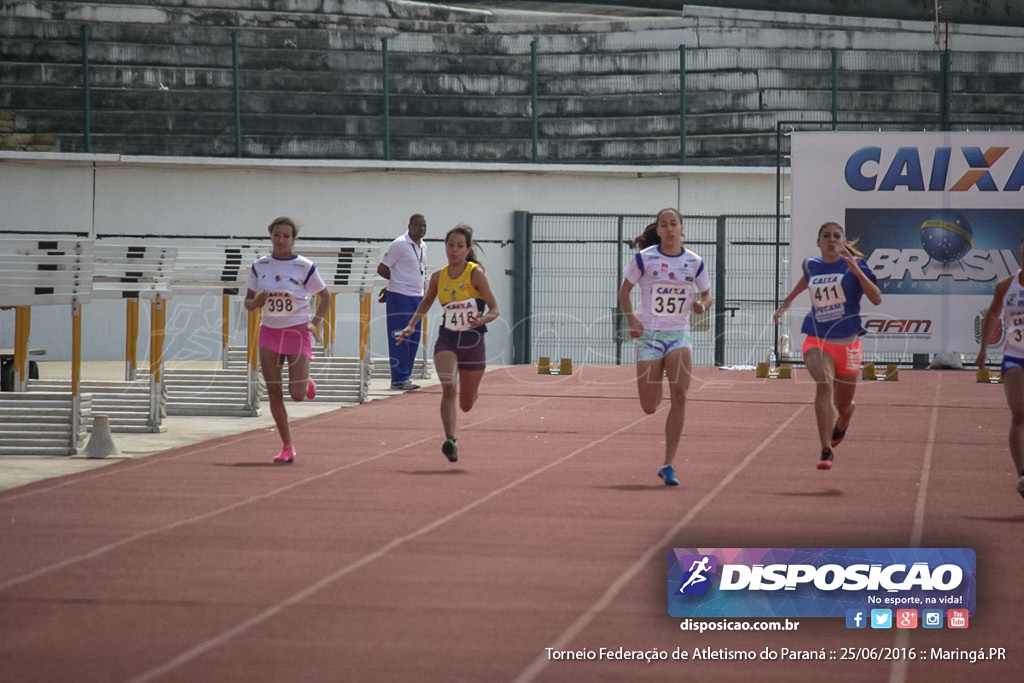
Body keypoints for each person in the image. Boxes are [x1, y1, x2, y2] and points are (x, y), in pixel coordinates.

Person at [773, 221, 882, 470]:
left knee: (843, 405)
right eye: (827, 236)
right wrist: (787, 302)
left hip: (849, 345)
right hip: (817, 339)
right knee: (823, 384)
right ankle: (826, 448)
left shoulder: (855, 266)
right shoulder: (811, 264)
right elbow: (807, 279)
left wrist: (858, 273)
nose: (832, 240)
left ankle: (844, 419)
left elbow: (876, 298)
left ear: (842, 242)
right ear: (819, 242)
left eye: (836, 236)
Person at [618, 208, 712, 487]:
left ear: (682, 228)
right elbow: (624, 291)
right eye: (664, 225)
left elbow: (708, 294)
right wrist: (632, 319)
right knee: (649, 407)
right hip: (649, 335)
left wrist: (702, 305)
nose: (669, 229)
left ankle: (668, 463)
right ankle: (656, 375)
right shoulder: (644, 259)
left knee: (680, 395)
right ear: (658, 230)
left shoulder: (694, 262)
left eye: (674, 224)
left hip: (678, 335)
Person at [396, 224, 499, 463]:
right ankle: (450, 439)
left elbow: (495, 309)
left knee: (466, 404)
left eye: (459, 246)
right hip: (448, 338)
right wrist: (412, 324)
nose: (453, 250)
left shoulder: (475, 274)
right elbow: (426, 301)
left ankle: (473, 392)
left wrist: (480, 319)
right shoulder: (437, 277)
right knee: (449, 388)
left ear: (468, 249)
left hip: (473, 341)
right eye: (450, 245)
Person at [244, 216, 330, 464]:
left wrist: (315, 323)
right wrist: (256, 302)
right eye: (276, 235)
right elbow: (248, 303)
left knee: (297, 394)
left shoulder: (304, 266)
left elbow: (325, 297)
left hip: (297, 332)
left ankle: (305, 381)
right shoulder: (259, 265)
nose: (280, 240)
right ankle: (287, 445)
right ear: (270, 236)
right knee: (273, 391)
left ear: (293, 240)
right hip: (269, 333)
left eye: (286, 236)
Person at [975, 236, 1024, 499]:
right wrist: (984, 349)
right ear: (1020, 251)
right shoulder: (1006, 286)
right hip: (1016, 357)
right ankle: (1023, 475)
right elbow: (993, 313)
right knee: (1019, 413)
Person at [378, 214, 428, 391]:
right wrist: (397, 283)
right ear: (409, 226)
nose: (421, 229)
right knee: (400, 336)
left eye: (424, 226)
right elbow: (382, 268)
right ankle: (398, 377)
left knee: (414, 337)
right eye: (418, 226)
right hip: (400, 296)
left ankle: (406, 374)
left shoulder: (423, 246)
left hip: (417, 296)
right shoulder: (399, 244)